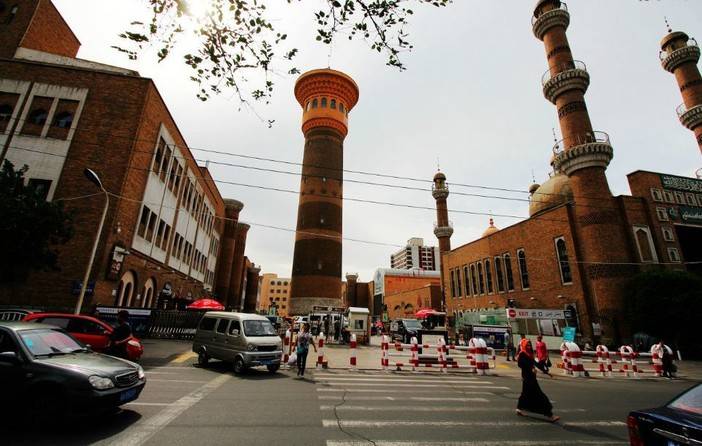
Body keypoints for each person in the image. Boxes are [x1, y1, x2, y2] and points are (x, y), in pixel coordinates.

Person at [516, 339, 560, 422]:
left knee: (525, 394)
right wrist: (530, 368)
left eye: (529, 345)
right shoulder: (522, 354)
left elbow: (536, 364)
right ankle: (550, 415)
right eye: (527, 345)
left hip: (531, 377)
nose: (529, 346)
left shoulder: (529, 354)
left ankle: (519, 408)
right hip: (527, 378)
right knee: (539, 395)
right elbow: (520, 364)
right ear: (523, 345)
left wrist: (547, 373)